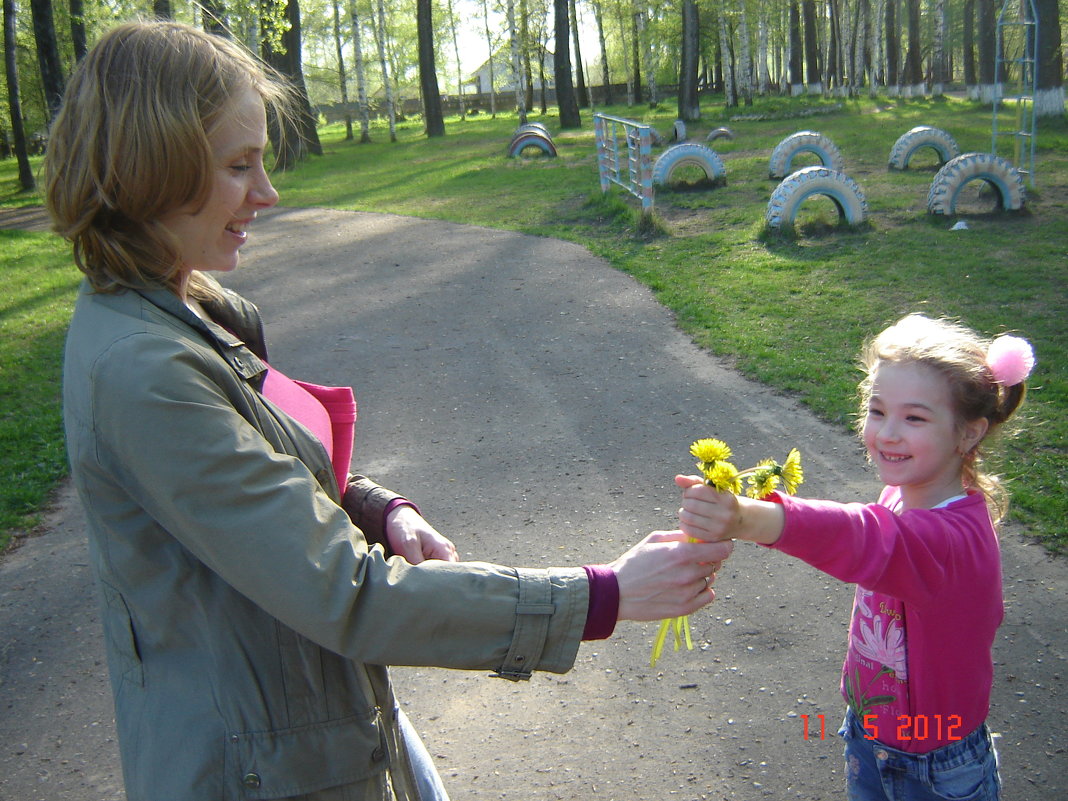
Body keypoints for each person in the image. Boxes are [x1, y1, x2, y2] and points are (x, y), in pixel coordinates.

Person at [45, 21, 733, 801]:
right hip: (255, 771)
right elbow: (348, 594)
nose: (267, 193)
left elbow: (255, 471)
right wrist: (600, 594)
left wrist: (377, 508)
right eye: (239, 166)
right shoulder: (143, 370)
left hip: (318, 731)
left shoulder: (183, 307)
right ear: (150, 170)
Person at [676, 313, 1035, 801]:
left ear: (968, 434)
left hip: (936, 761)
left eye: (914, 418)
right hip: (869, 734)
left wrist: (747, 518)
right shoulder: (904, 494)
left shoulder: (952, 539)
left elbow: (864, 538)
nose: (887, 432)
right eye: (877, 409)